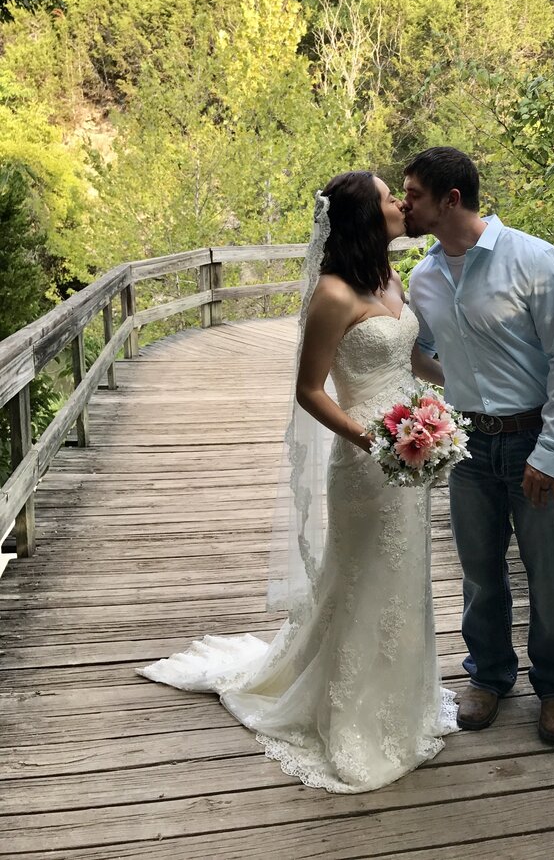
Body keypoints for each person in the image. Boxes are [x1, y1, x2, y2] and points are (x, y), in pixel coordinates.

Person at [137, 171, 457, 793]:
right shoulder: (334, 294)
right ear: (365, 217)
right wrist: (371, 437)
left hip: (413, 448)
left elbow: (409, 356)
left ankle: (402, 705)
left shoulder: (388, 279)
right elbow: (309, 390)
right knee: (362, 576)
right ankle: (349, 716)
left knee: (403, 575)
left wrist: (451, 396)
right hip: (367, 458)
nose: (400, 203)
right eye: (390, 196)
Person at [403, 146, 554, 744]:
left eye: (412, 194)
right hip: (469, 449)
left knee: (550, 575)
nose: (404, 204)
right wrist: (445, 392)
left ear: (450, 199)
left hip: (534, 439)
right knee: (480, 572)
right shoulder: (424, 278)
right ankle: (489, 676)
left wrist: (550, 451)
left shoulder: (535, 260)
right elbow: (422, 352)